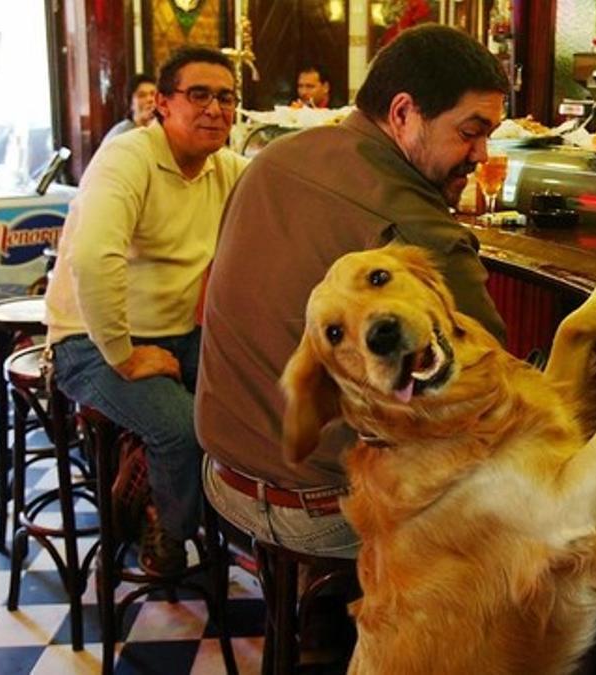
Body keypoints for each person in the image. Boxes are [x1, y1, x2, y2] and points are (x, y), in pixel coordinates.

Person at [196, 24, 508, 560]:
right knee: (520, 518)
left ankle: (317, 632)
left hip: (221, 474)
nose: (481, 153)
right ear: (404, 114)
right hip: (315, 510)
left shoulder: (271, 160)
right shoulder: (417, 232)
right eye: (470, 131)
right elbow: (491, 387)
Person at [44, 46, 248, 576]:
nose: (214, 109)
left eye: (225, 97)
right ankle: (166, 536)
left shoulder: (226, 169)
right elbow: (92, 258)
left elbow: (287, 194)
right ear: (162, 103)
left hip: (179, 334)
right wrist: (123, 355)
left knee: (253, 399)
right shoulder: (128, 157)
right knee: (182, 427)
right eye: (198, 94)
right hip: (88, 340)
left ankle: (230, 523)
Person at [101, 74, 157, 145]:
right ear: (131, 104)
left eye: (153, 94)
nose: (150, 99)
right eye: (142, 95)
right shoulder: (122, 134)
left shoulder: (158, 131)